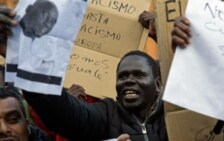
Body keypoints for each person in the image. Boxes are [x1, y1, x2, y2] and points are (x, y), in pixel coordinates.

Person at [0, 5, 167, 141]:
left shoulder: (173, 113)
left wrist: (165, 35)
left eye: (138, 74)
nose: (128, 81)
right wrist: (25, 60)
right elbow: (57, 110)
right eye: (122, 76)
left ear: (158, 84)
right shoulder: (105, 115)